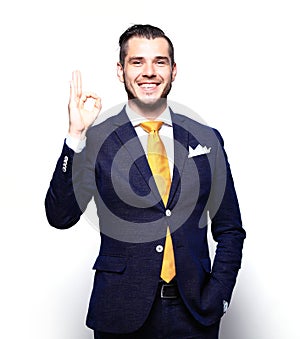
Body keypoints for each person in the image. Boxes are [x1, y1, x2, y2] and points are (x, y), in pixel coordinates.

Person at [45, 24, 246, 339]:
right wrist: (75, 137)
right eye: (137, 62)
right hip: (120, 313)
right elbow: (60, 216)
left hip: (194, 315)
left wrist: (219, 294)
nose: (149, 72)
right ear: (121, 70)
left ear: (173, 70)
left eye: (160, 62)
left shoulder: (206, 138)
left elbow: (230, 228)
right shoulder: (96, 140)